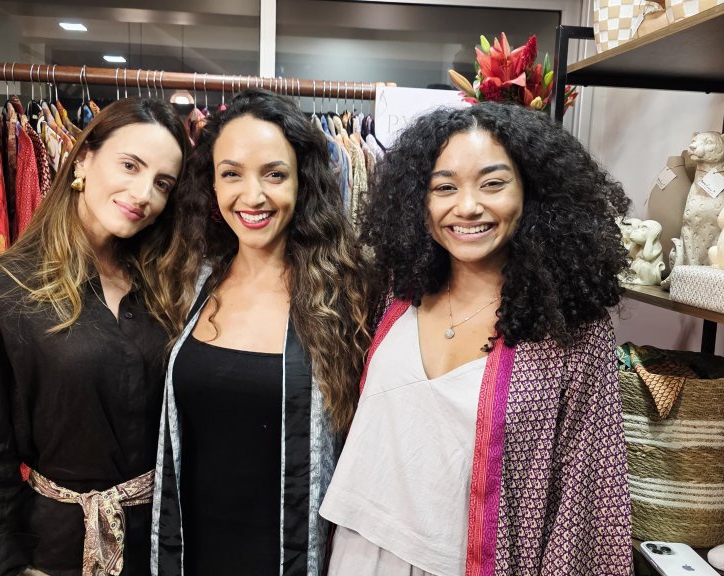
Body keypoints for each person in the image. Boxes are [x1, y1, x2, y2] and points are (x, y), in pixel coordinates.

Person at [320, 103, 633, 575]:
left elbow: (589, 493)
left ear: (532, 191)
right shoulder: (396, 293)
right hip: (361, 553)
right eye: (444, 187)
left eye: (492, 184)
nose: (466, 207)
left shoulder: (572, 331)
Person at [0, 97, 191, 576]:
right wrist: (3, 568)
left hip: (164, 544)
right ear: (82, 159)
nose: (143, 194)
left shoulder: (168, 288)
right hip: (56, 550)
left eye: (163, 183)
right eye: (130, 165)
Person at [151, 88, 371, 575]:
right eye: (232, 174)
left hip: (294, 557)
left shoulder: (348, 293)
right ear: (211, 182)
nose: (252, 197)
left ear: (302, 181)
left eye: (274, 174)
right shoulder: (189, 281)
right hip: (193, 553)